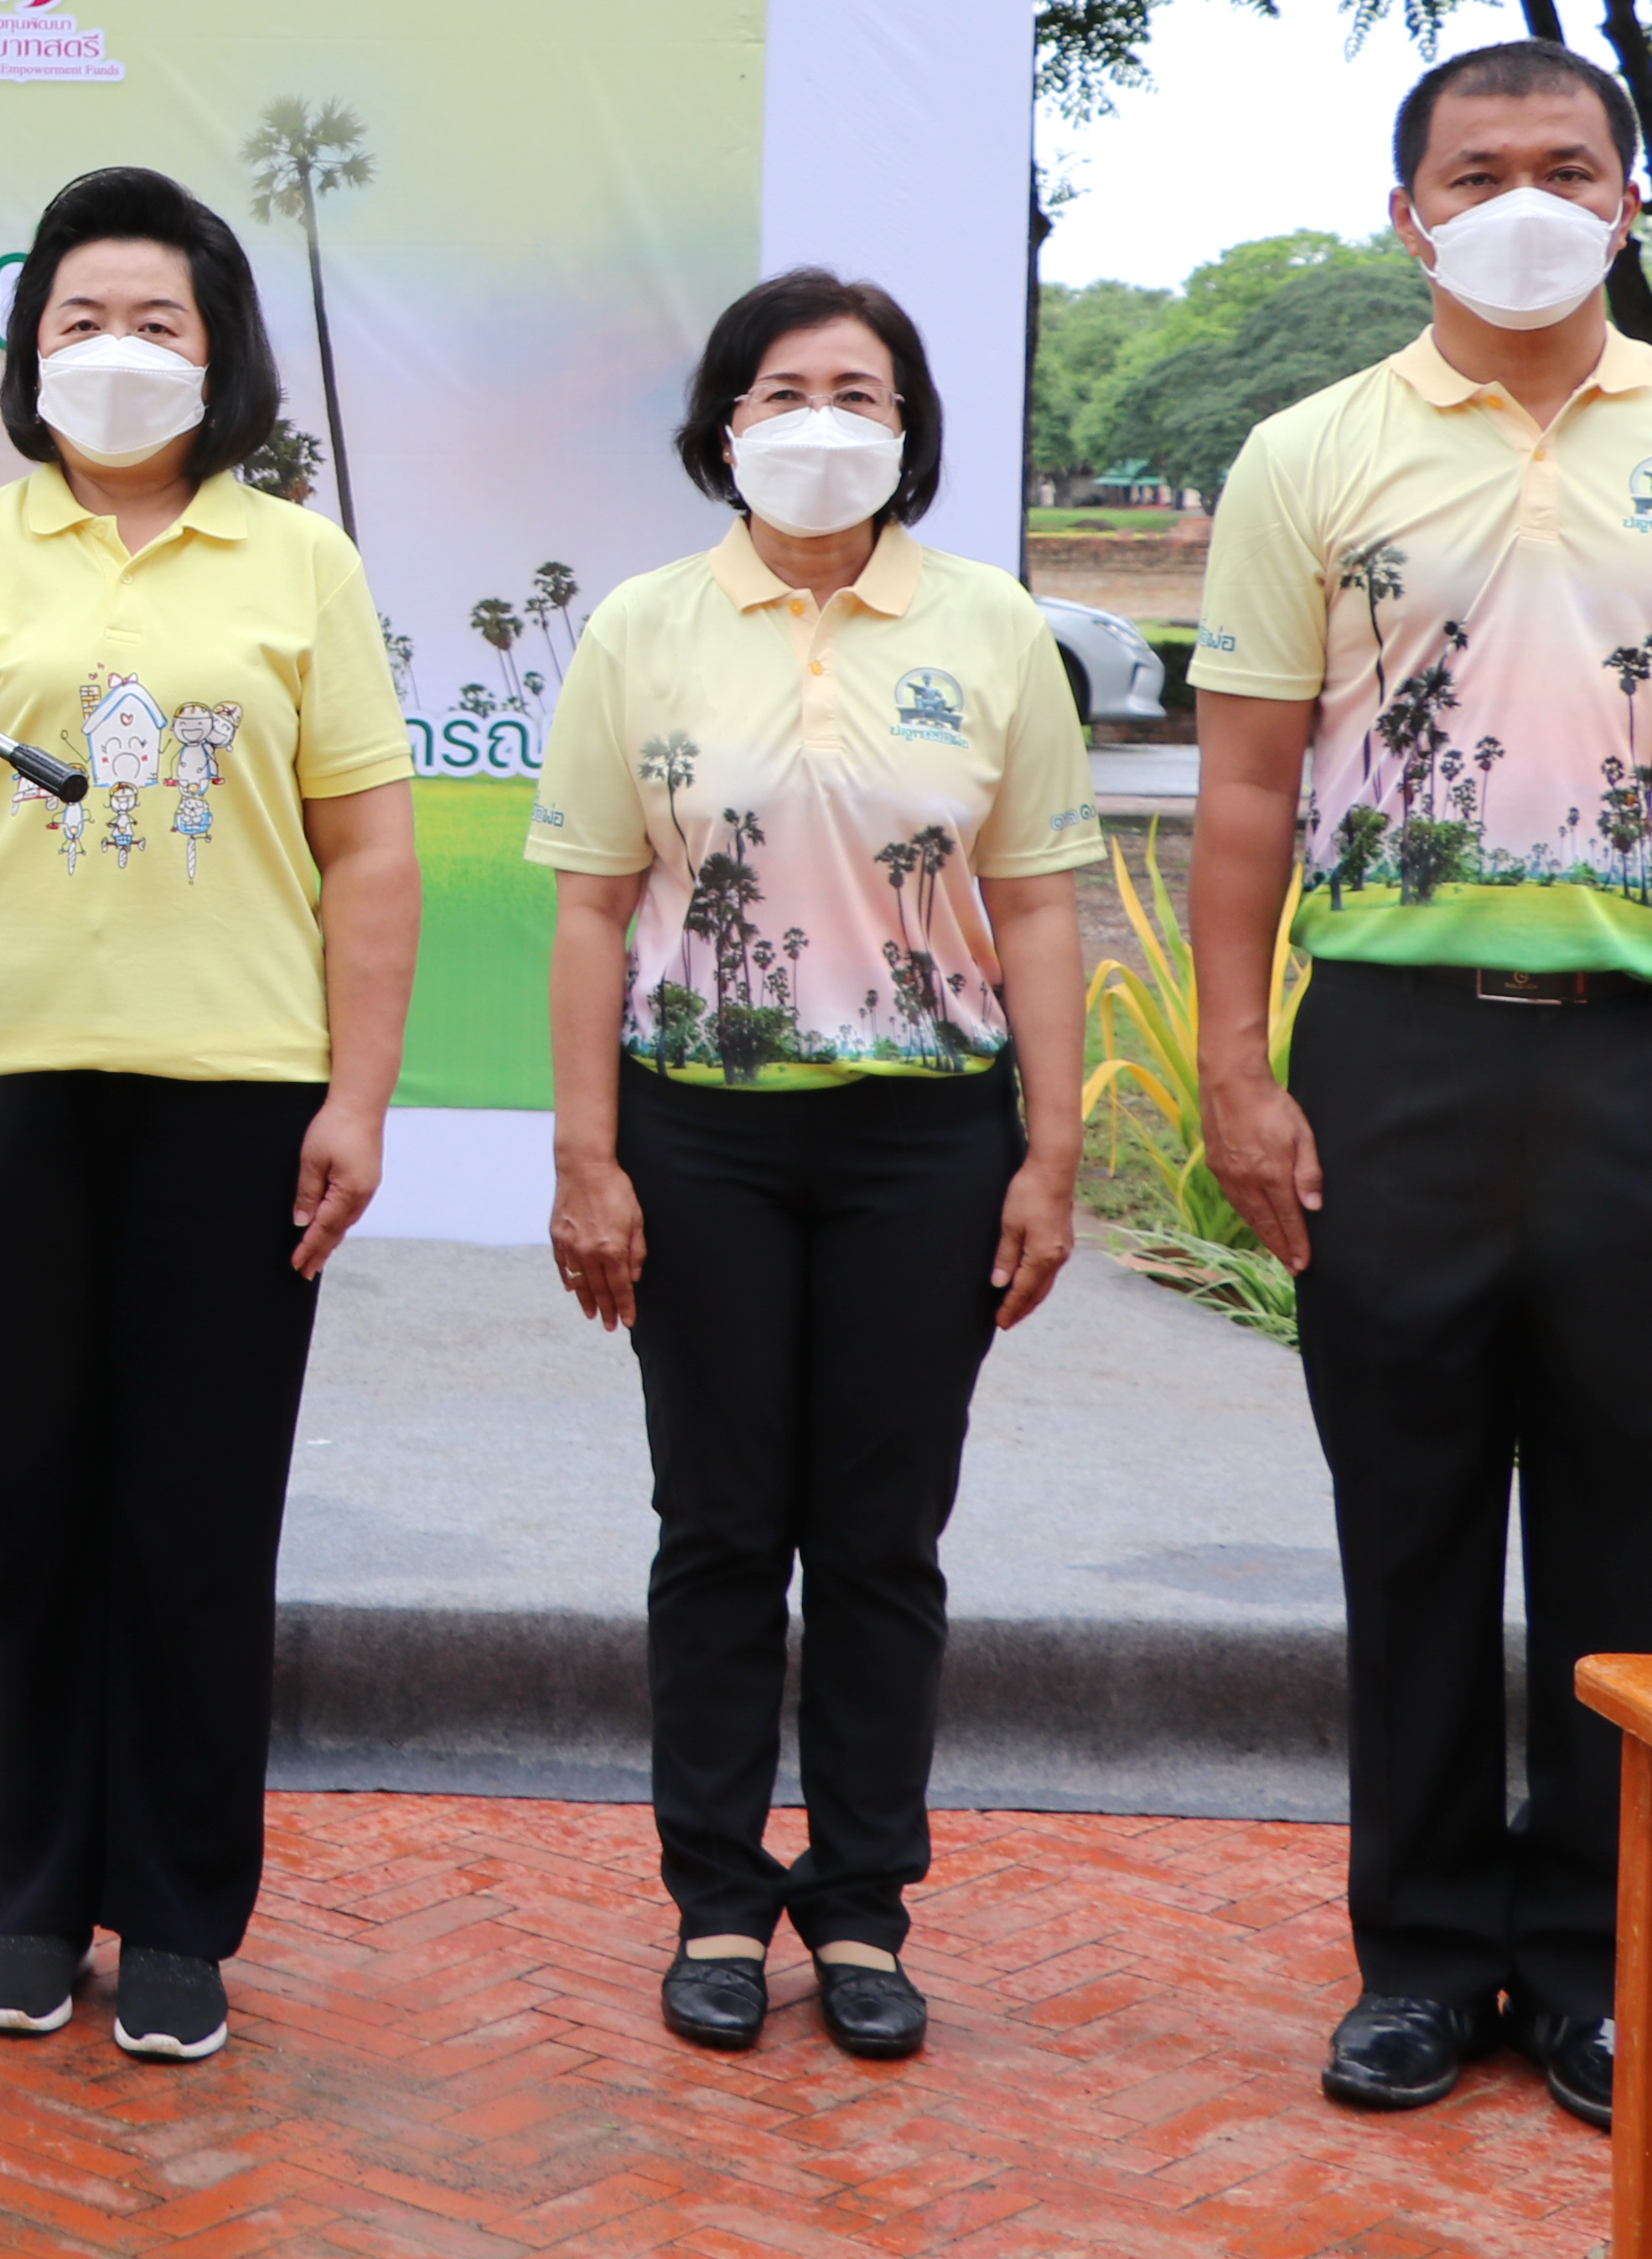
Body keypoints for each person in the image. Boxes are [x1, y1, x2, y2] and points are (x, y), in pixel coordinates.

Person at [1193, 40, 1652, 2131]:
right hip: (1390, 1047)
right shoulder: (1310, 452)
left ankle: (1590, 1961)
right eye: (1474, 168)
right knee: (1401, 1525)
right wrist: (1236, 1057)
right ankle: (1418, 1956)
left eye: (1564, 165)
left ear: (1631, 201)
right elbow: (1238, 789)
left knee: (1627, 1529)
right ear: (1405, 207)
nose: (1520, 197)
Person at [0, 163, 417, 2067]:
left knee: (195, 1514)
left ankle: (175, 1916)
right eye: (80, 318)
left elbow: (372, 842)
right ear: (28, 348)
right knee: (16, 1512)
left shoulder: (296, 562)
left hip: (236, 1098)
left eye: (155, 319)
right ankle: (26, 1900)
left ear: (219, 348)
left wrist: (360, 1093)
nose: (117, 351)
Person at [528, 270, 1100, 2063]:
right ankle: (712, 1892)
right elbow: (589, 911)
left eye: (861, 386)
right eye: (785, 386)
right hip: (697, 1127)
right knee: (716, 1527)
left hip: (928, 1134)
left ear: (912, 424)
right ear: (722, 421)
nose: (823, 416)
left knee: (877, 1538)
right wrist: (588, 1155)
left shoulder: (994, 626)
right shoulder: (643, 624)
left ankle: (860, 1903)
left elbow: (1037, 906)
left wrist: (1053, 1150)